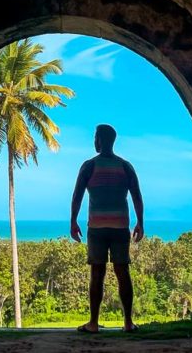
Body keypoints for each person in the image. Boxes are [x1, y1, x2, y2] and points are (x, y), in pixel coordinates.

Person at [70, 124, 144, 333]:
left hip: (97, 227)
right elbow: (137, 196)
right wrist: (140, 222)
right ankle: (128, 323)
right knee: (123, 272)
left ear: (100, 140)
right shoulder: (125, 166)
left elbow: (77, 195)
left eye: (95, 137)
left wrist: (73, 221)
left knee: (97, 274)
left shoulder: (89, 166)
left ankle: (93, 323)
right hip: (120, 227)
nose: (94, 141)